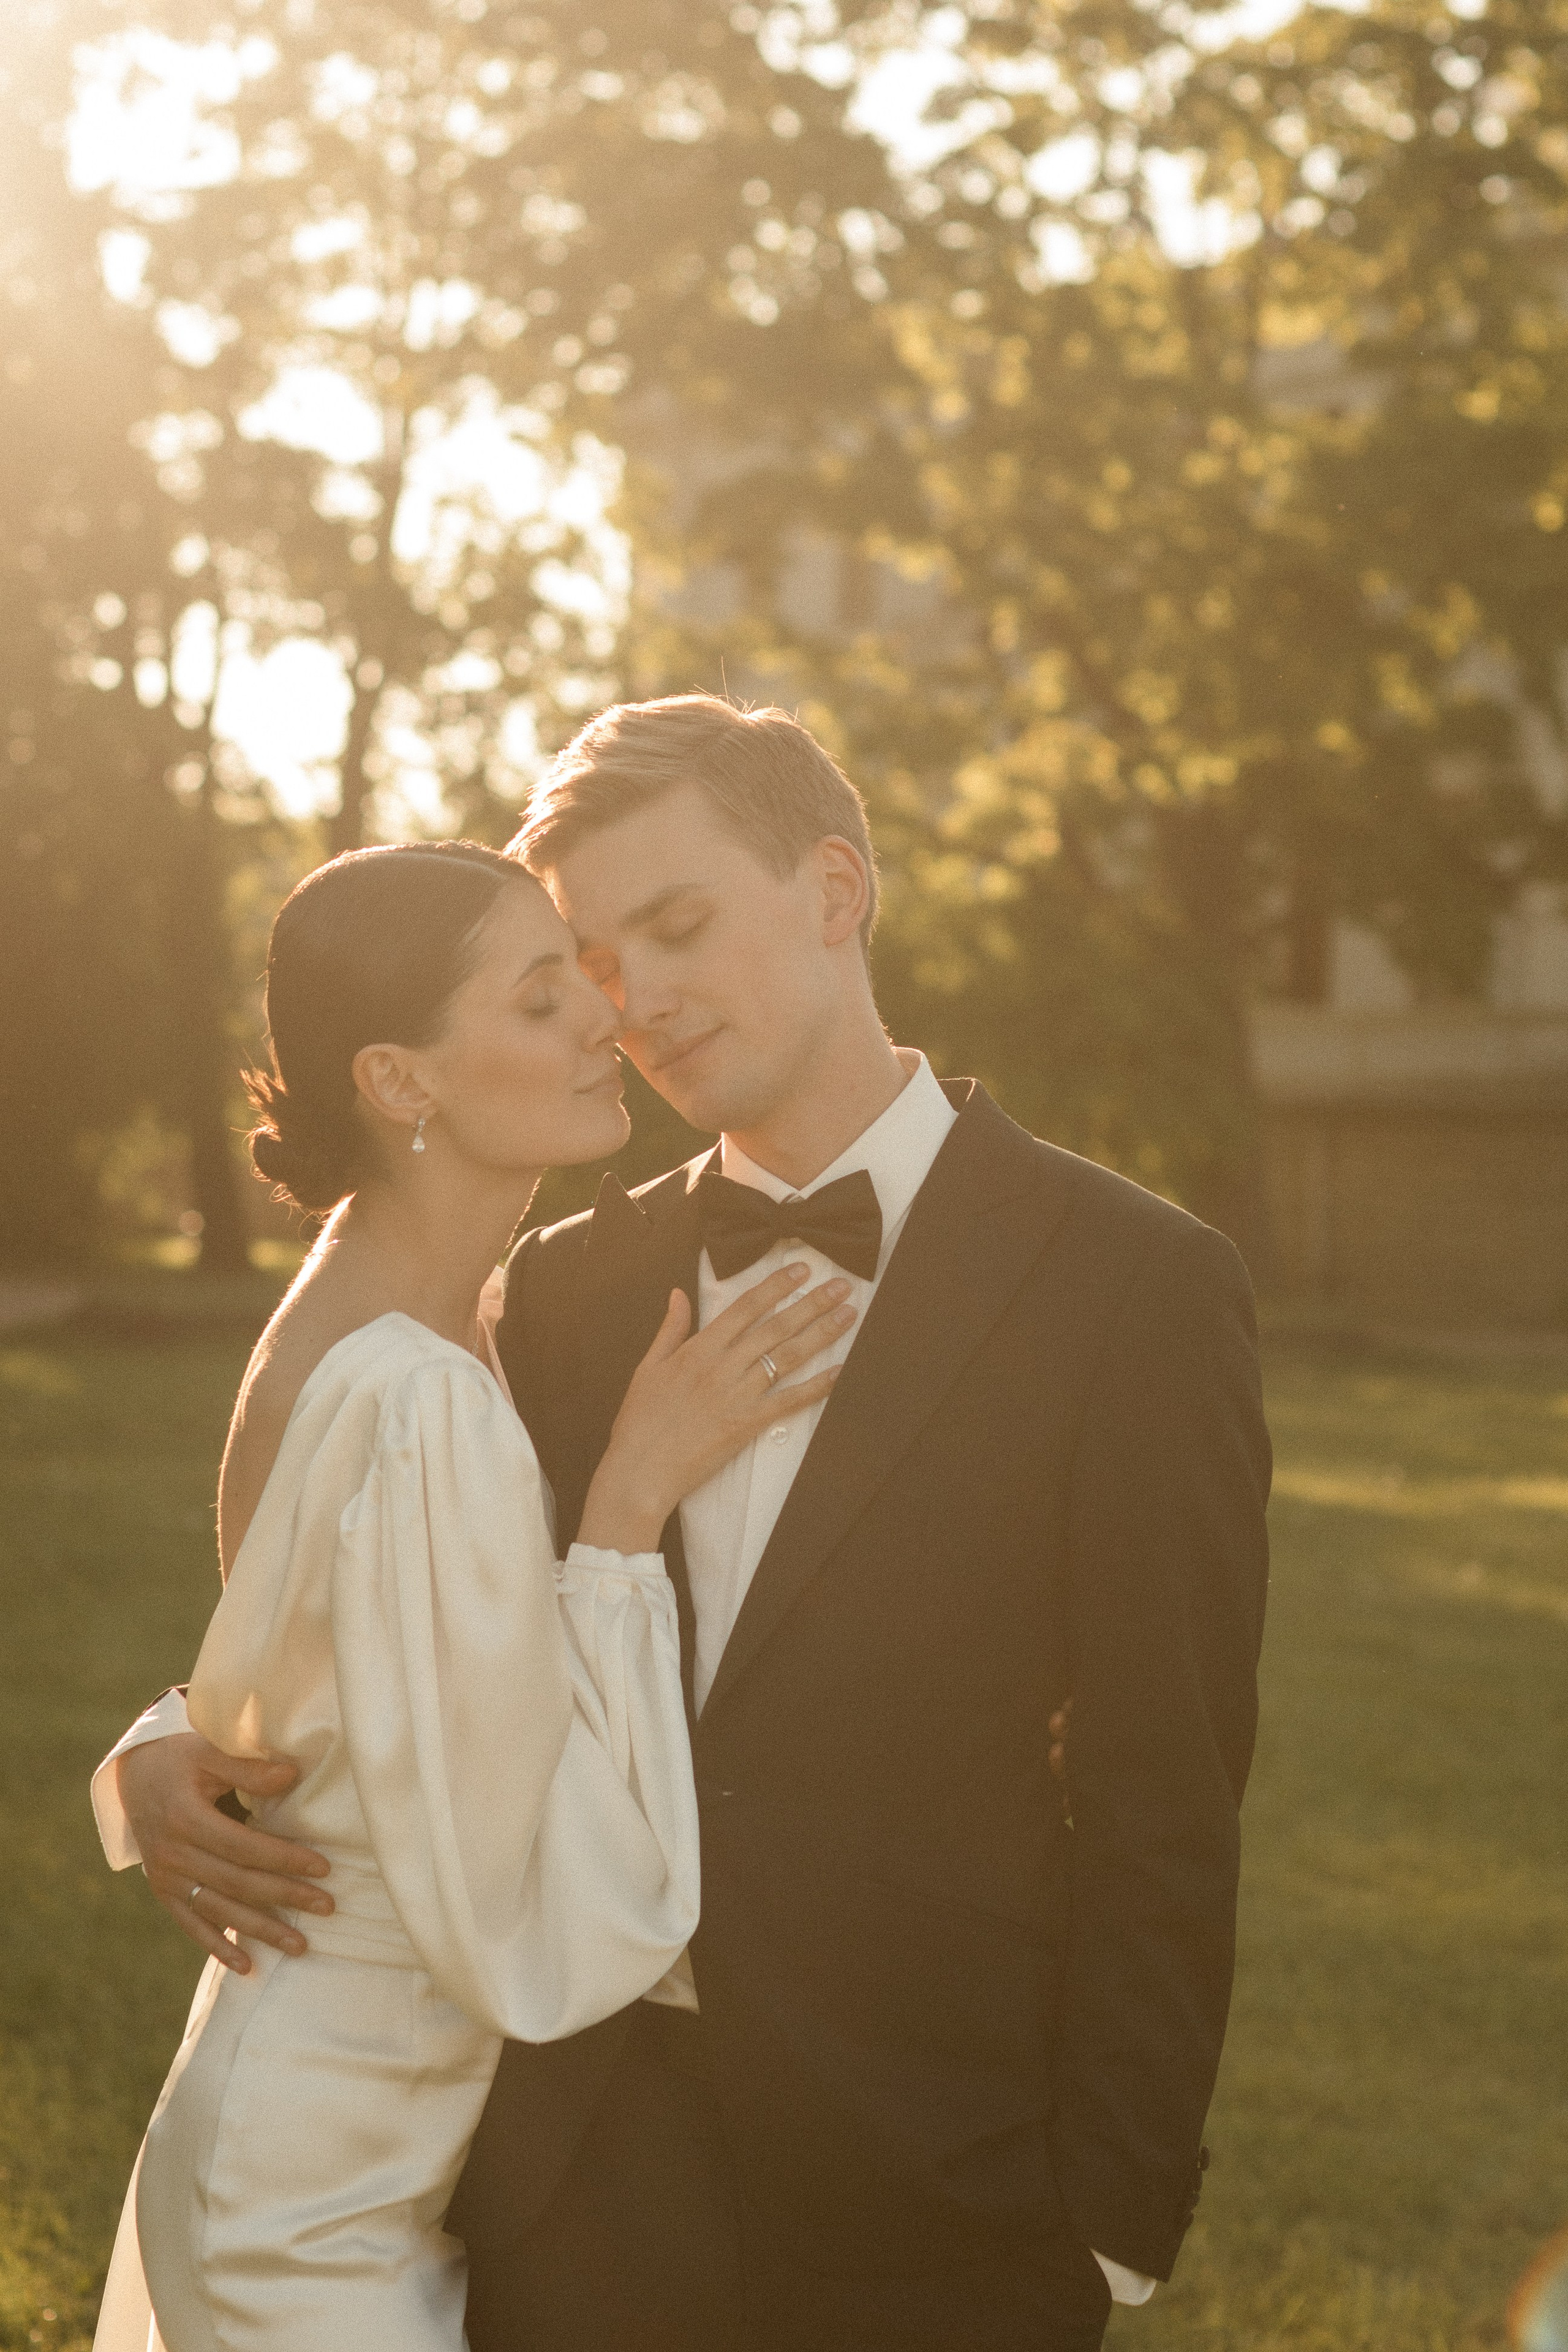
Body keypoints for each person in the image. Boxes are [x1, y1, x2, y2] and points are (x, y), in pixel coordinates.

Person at [100, 696, 1272, 2352]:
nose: (630, 1000)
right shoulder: (563, 1289)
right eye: (586, 957)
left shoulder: (1134, 1291)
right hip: (570, 2175)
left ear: (835, 893)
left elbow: (1168, 1787)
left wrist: (1106, 2229)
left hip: (940, 2186)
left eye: (677, 926)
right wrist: (165, 1751)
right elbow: (403, 1603)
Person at [89, 839, 851, 2352]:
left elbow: (317, 1676)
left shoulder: (406, 1315)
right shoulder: (414, 1390)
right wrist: (627, 1506)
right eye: (539, 999)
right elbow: (530, 1883)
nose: (602, 1021)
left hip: (350, 2151)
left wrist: (153, 1751)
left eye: (586, 983)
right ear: (398, 1078)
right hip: (306, 2206)